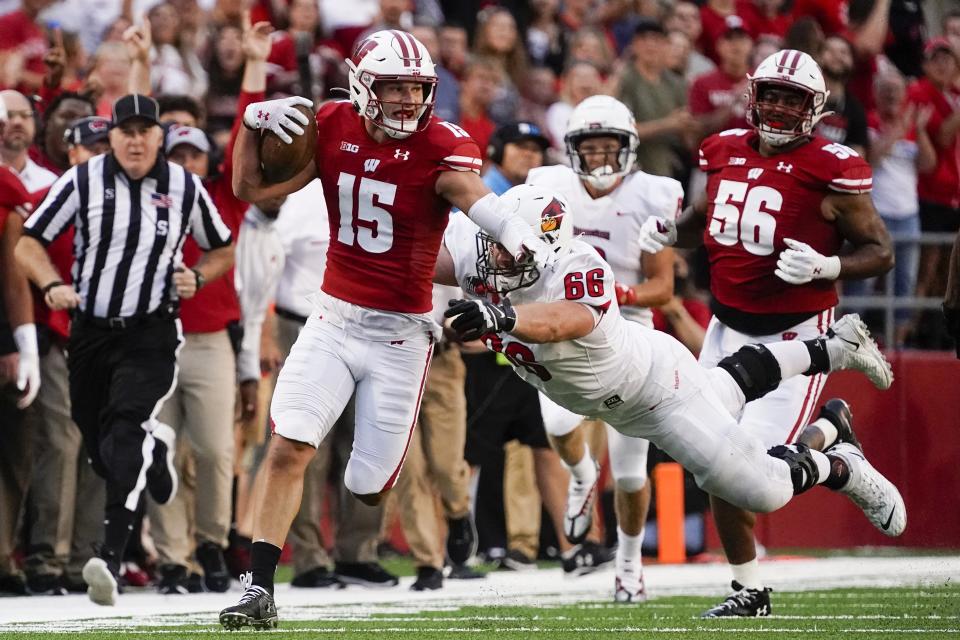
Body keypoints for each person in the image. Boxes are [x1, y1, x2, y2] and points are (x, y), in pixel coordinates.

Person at [219, 29, 555, 630]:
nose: (406, 100)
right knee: (289, 444)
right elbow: (250, 189)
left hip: (402, 335)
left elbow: (467, 191)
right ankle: (258, 588)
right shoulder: (331, 124)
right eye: (393, 87)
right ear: (360, 84)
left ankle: (448, 521)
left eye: (416, 88)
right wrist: (250, 124)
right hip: (332, 317)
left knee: (369, 487)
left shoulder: (441, 144)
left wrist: (512, 231)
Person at [437, 185, 905, 602]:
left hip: (657, 394)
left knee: (763, 490)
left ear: (543, 251)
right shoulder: (479, 248)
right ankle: (833, 351)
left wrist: (503, 318)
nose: (497, 257)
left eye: (511, 250)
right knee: (724, 387)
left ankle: (838, 462)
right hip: (625, 395)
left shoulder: (579, 266)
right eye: (494, 241)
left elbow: (564, 321)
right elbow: (416, 263)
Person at [636, 49, 895, 617]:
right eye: (771, 95)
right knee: (711, 458)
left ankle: (834, 455)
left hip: (796, 336)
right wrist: (667, 233)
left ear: (814, 107)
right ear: (753, 96)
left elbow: (881, 252)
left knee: (757, 476)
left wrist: (831, 268)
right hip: (726, 329)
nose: (778, 107)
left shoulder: (833, 166)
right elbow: (708, 224)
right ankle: (748, 589)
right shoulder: (722, 149)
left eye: (792, 98)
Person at [15, 93, 235, 607]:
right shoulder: (82, 180)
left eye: (145, 131)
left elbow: (223, 245)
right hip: (90, 331)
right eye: (126, 131)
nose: (136, 141)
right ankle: (157, 449)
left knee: (122, 429)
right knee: (97, 444)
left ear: (160, 137)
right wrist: (50, 286)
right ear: (110, 136)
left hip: (151, 332)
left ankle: (108, 557)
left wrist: (197, 276)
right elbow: (29, 242)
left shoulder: (184, 186)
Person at [525, 95, 682, 603]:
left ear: (628, 147)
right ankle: (581, 475)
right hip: (565, 322)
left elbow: (664, 286)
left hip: (628, 326)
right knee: (558, 426)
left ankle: (630, 565)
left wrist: (623, 294)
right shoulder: (548, 188)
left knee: (633, 467)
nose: (599, 157)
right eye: (588, 148)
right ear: (573, 150)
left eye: (607, 146)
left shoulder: (652, 196)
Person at [21, 116, 109, 596]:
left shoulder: (128, 198)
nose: (99, 155)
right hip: (63, 333)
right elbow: (26, 248)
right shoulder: (55, 196)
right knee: (61, 444)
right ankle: (47, 560)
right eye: (90, 147)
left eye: (104, 146)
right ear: (71, 152)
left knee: (100, 448)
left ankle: (85, 559)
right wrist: (52, 291)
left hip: (112, 340)